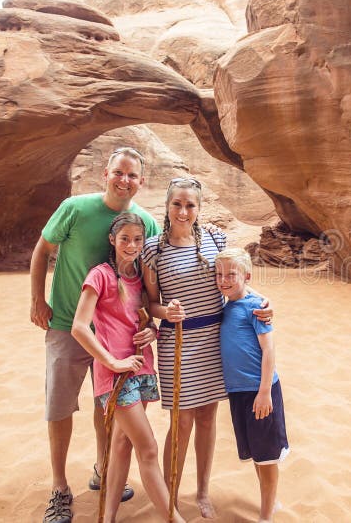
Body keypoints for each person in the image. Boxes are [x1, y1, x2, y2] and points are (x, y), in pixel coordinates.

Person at [30, 148, 161, 523]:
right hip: (68, 325)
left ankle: (103, 470)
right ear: (106, 174)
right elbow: (43, 250)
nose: (125, 180)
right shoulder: (75, 208)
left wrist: (152, 324)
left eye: (132, 175)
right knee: (60, 405)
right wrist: (38, 299)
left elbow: (150, 285)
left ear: (141, 181)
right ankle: (59, 487)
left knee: (107, 405)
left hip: (116, 336)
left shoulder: (146, 224)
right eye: (119, 172)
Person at [141, 177, 273, 518]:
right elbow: (149, 303)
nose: (183, 211)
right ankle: (167, 493)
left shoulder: (215, 238)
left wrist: (265, 303)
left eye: (190, 205)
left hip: (215, 341)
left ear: (198, 209)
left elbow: (239, 282)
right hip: (178, 342)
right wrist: (164, 311)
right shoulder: (153, 249)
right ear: (167, 207)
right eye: (177, 204)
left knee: (207, 417)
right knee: (180, 422)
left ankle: (201, 491)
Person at [71, 213, 185, 523]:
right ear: (113, 240)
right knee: (147, 449)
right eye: (125, 239)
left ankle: (107, 518)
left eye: (137, 239)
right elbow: (79, 327)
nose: (132, 245)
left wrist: (153, 331)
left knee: (122, 443)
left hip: (143, 368)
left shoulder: (141, 277)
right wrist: (111, 361)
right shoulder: (100, 275)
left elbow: (147, 318)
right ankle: (174, 519)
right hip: (116, 374)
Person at [215, 248, 289, 523]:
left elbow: (269, 351)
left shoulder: (256, 308)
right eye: (219, 274)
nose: (223, 280)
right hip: (239, 393)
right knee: (257, 454)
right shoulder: (227, 306)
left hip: (261, 391)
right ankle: (269, 503)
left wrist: (264, 391)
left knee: (267, 455)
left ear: (246, 276)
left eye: (230, 274)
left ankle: (266, 516)